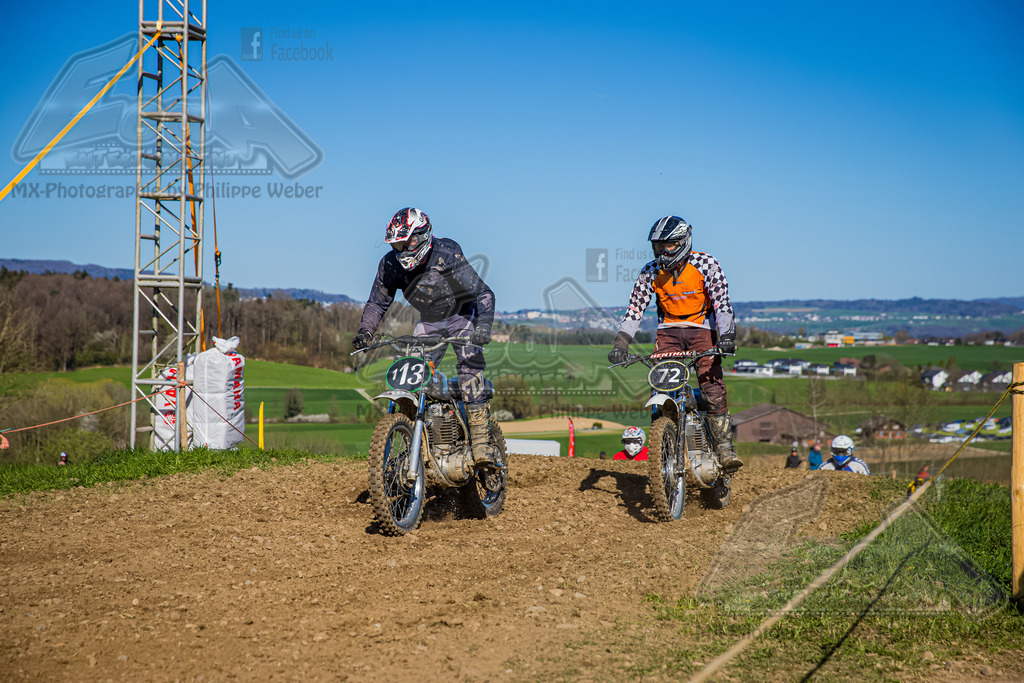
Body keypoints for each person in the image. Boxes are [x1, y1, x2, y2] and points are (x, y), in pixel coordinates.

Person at [353, 208, 497, 465]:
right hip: (429, 321)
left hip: (463, 316)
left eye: (405, 242)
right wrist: (365, 331)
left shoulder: (447, 253)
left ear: (422, 236)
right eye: (397, 244)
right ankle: (417, 442)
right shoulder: (389, 264)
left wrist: (483, 327)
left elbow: (483, 293)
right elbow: (377, 303)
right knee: (410, 377)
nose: (401, 249)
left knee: (468, 373)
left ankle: (481, 446)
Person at [607, 216, 741, 470]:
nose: (662, 252)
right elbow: (635, 309)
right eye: (657, 247)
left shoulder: (706, 264)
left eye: (667, 246)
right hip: (667, 332)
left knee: (712, 386)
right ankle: (665, 445)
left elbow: (722, 303)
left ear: (682, 242)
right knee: (660, 387)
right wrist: (621, 344)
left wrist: (726, 337)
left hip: (701, 330)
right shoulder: (650, 271)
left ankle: (724, 449)